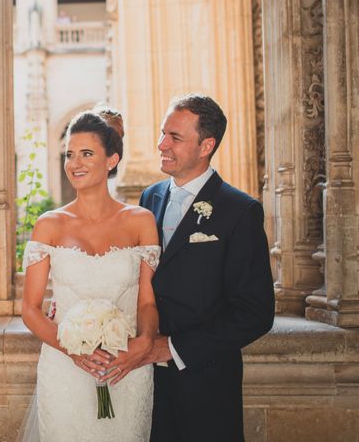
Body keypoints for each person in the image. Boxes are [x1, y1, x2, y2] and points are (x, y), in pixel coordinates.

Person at [131, 93, 275, 441]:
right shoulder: (148, 199)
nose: (161, 144)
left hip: (205, 383)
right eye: (163, 133)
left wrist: (172, 347)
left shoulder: (239, 211)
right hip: (145, 381)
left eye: (175, 137)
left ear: (206, 145)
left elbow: (256, 313)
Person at [20, 110, 160, 441]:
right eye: (69, 154)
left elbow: (147, 301)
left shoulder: (141, 221)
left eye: (86, 153)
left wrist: (144, 342)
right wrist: (73, 351)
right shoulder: (49, 224)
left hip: (126, 366)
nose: (74, 163)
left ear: (111, 160)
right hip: (65, 370)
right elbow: (30, 308)